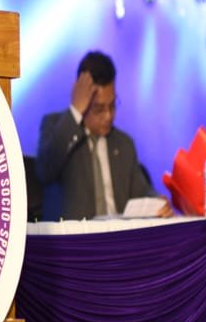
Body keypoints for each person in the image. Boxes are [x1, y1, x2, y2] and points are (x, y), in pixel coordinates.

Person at [36, 51, 170, 219]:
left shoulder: (124, 144)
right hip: (77, 234)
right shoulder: (57, 126)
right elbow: (45, 170)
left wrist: (156, 202)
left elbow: (141, 191)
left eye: (112, 105)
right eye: (99, 109)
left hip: (119, 232)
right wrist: (74, 112)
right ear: (82, 100)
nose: (108, 116)